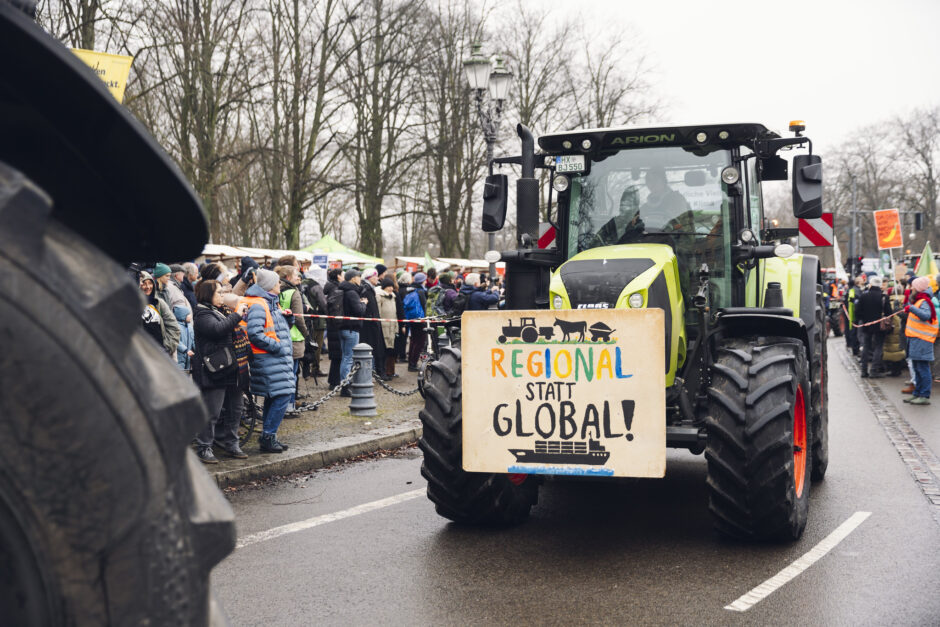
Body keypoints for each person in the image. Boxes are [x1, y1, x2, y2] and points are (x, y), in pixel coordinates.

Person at [191, 279, 249, 463]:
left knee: (235, 408)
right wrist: (237, 315)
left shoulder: (219, 311)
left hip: (231, 367)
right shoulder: (201, 313)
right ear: (208, 294)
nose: (222, 296)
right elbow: (218, 330)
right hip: (213, 370)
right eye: (219, 293)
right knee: (212, 411)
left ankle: (231, 443)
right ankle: (204, 447)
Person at [243, 268, 295, 452]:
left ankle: (269, 436)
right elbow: (254, 334)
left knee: (275, 397)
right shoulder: (259, 305)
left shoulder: (272, 303)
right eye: (277, 282)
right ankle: (268, 436)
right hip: (269, 359)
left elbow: (276, 328)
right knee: (282, 395)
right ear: (270, 285)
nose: (280, 284)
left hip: (276, 360)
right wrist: (277, 346)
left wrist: (289, 319)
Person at [276, 265, 310, 413]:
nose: (299, 277)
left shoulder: (275, 290)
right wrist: (307, 334)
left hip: (278, 335)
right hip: (294, 337)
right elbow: (298, 318)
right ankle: (289, 406)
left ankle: (282, 406)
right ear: (288, 277)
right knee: (292, 375)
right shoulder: (294, 293)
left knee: (282, 375)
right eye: (296, 275)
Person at [903, 277, 938, 405]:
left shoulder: (924, 301)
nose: (911, 288)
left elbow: (925, 316)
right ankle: (917, 393)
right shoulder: (920, 301)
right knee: (917, 368)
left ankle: (924, 394)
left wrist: (911, 308)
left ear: (917, 288)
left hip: (922, 340)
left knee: (922, 368)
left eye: (913, 286)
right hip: (916, 339)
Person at [855, 275, 892, 378]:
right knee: (878, 347)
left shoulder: (863, 296)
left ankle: (863, 370)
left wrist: (864, 319)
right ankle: (874, 370)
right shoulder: (883, 297)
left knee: (866, 347)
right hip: (880, 326)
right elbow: (889, 312)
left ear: (870, 284)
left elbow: (857, 312)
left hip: (866, 325)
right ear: (880, 285)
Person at [339, 269, 368, 394]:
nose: (360, 278)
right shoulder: (352, 292)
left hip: (343, 328)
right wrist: (364, 303)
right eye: (358, 276)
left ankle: (344, 383)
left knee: (345, 357)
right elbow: (359, 311)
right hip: (351, 329)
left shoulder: (344, 289)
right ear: (352, 278)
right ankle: (345, 386)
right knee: (348, 358)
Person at [139, 270, 180, 356]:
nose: (148, 287)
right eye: (144, 284)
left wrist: (167, 347)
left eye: (150, 283)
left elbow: (173, 327)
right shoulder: (132, 305)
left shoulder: (159, 303)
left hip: (160, 353)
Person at [359, 268, 386, 378]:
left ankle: (373, 372)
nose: (377, 278)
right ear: (369, 278)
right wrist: (373, 320)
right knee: (370, 349)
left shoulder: (370, 289)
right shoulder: (366, 290)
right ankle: (369, 373)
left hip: (373, 323)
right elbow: (368, 309)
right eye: (375, 276)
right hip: (369, 325)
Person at [323, 268, 344, 388]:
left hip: (332, 325)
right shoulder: (336, 290)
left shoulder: (332, 288)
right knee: (337, 355)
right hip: (336, 326)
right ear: (338, 276)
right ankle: (334, 381)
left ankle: (334, 380)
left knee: (337, 355)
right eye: (342, 275)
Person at [405, 272, 428, 371]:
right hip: (420, 320)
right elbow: (424, 306)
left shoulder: (411, 290)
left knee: (413, 342)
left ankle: (411, 362)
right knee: (419, 343)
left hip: (412, 319)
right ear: (422, 281)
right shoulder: (421, 292)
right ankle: (413, 364)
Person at [377, 277, 399, 378]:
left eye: (392, 286)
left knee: (389, 350)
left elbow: (395, 315)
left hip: (391, 327)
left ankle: (386, 371)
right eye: (389, 286)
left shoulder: (393, 297)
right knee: (382, 351)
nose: (390, 288)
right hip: (383, 327)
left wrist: (396, 328)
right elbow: (379, 313)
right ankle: (381, 372)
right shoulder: (380, 296)